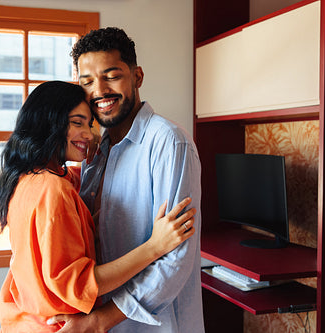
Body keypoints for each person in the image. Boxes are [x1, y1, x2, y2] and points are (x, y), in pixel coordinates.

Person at [0, 80, 196, 332]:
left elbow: (75, 185)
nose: (88, 134)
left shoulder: (24, 178)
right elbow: (78, 285)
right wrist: (155, 247)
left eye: (90, 124)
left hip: (25, 320)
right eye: (77, 123)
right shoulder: (53, 190)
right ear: (48, 122)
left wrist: (97, 146)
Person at [48, 27, 205, 332]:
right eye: (88, 82)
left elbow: (176, 259)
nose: (100, 91)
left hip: (154, 325)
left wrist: (100, 321)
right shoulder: (97, 151)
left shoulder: (168, 143)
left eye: (111, 75)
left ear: (138, 77)